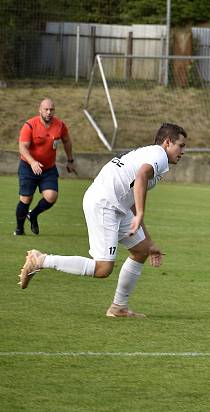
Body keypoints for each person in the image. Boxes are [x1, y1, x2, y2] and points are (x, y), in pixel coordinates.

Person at [18, 123, 188, 318]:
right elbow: (141, 176)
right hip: (104, 203)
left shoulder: (149, 154)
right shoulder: (158, 155)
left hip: (113, 203)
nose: (183, 151)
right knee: (103, 268)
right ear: (167, 142)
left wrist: (149, 241)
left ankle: (119, 308)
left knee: (142, 250)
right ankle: (40, 260)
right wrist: (140, 213)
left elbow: (132, 196)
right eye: (181, 146)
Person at [14, 98, 75, 236]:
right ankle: (19, 229)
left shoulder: (60, 125)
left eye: (51, 110)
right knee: (26, 198)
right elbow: (22, 147)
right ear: (40, 110)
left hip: (48, 169)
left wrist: (70, 160)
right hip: (28, 167)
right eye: (46, 109)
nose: (49, 112)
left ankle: (33, 215)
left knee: (51, 196)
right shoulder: (30, 125)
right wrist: (33, 162)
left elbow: (67, 141)